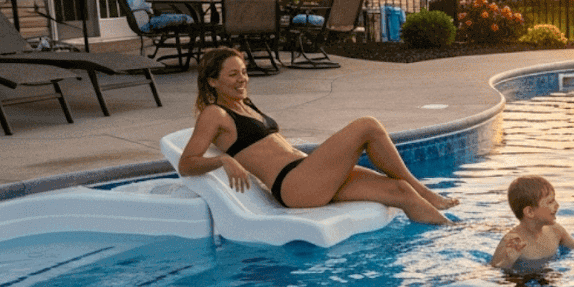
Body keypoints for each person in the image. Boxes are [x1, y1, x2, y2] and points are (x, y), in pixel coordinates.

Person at [177, 48, 458, 224]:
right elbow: (186, 163)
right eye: (232, 75)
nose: (242, 79)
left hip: (306, 173)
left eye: (244, 72)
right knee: (368, 126)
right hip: (293, 185)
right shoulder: (214, 113)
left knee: (401, 191)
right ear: (213, 81)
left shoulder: (245, 104)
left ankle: (450, 230)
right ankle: (424, 190)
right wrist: (224, 160)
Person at [491, 174, 574, 268]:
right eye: (550, 202)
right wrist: (508, 260)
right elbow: (494, 271)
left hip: (549, 275)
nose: (557, 205)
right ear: (530, 212)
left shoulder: (556, 231)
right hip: (521, 283)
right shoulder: (512, 242)